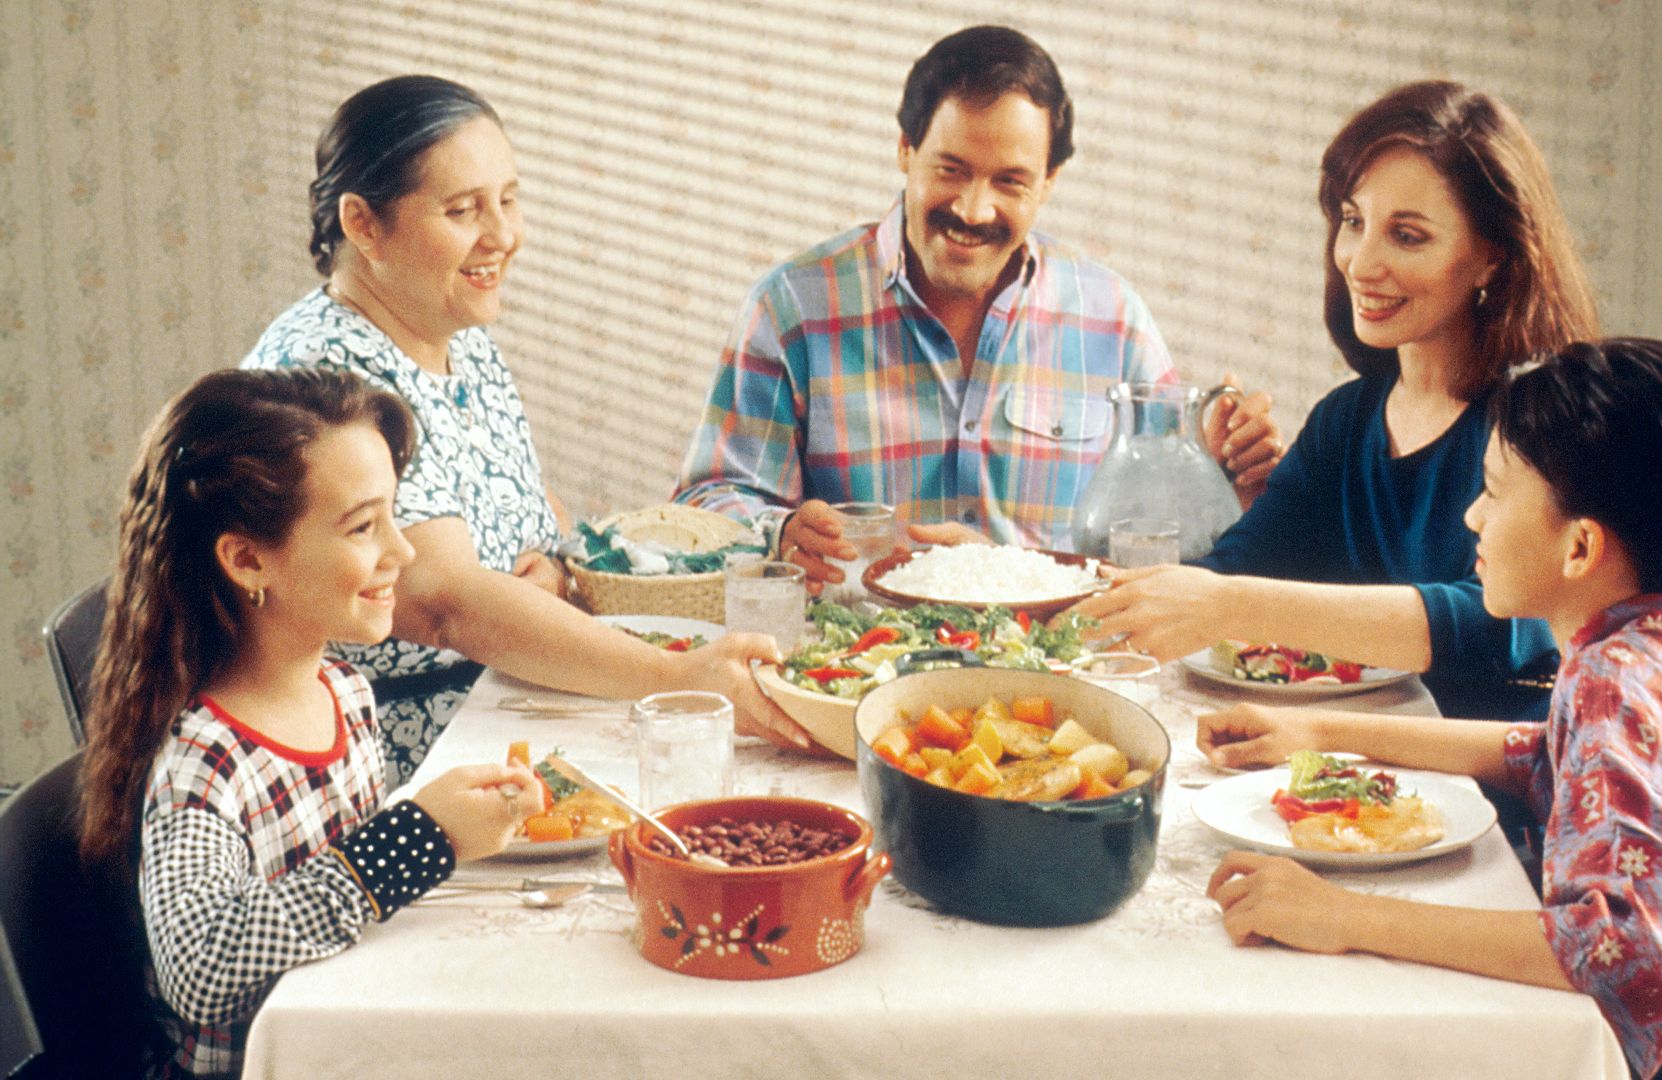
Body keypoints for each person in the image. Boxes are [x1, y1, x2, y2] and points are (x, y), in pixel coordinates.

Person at [1201, 339, 1662, 1079]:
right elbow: (1558, 752)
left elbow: (1631, 959)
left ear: (1580, 548)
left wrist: (1340, 917)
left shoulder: (1616, 684)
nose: (1473, 517)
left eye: (1494, 492)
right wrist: (1317, 729)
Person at [243, 75, 807, 782]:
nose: (504, 236)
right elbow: (446, 604)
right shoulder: (327, 377)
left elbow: (528, 514)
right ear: (362, 225)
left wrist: (558, 569)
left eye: (508, 200)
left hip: (502, 703)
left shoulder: (453, 330)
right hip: (389, 759)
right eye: (462, 210)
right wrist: (680, 674)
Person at [673, 25, 1283, 592]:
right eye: (951, 169)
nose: (973, 209)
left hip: (1055, 678)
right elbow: (707, 501)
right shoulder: (792, 308)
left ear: (1049, 182)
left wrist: (1224, 476)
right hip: (851, 667)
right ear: (906, 149)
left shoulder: (1113, 318)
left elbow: (1163, 545)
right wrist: (779, 534)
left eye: (1010, 182)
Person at [1072, 80, 1600, 721]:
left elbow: (1497, 619)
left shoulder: (1541, 427)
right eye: (1353, 222)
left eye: (1407, 236)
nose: (1359, 261)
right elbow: (1232, 569)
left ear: (1492, 257)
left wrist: (1230, 603)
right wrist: (1019, 578)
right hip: (1351, 774)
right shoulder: (1346, 420)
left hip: (1501, 793)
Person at [76, 368, 543, 1079]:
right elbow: (200, 967)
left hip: (354, 1041)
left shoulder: (343, 690)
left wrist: (451, 828)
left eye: (394, 514)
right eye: (363, 526)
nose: (404, 551)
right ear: (247, 559)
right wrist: (416, 839)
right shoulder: (207, 760)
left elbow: (344, 904)